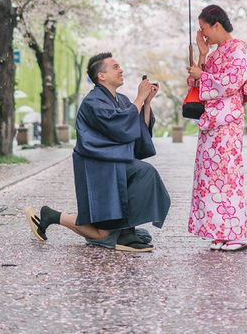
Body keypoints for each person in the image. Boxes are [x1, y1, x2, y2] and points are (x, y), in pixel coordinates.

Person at [25, 52, 170, 253]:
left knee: (142, 174)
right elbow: (121, 126)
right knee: (105, 232)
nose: (121, 70)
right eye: (115, 67)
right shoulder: (92, 101)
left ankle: (123, 230)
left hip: (114, 162)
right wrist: (139, 98)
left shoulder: (121, 99)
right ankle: (122, 232)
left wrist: (146, 103)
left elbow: (136, 131)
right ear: (101, 76)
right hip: (97, 166)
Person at [187, 4, 247, 252]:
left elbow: (231, 83)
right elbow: (196, 83)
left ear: (217, 24)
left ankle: (237, 233)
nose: (203, 35)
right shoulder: (214, 55)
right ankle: (220, 231)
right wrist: (202, 56)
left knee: (228, 176)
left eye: (204, 29)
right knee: (210, 178)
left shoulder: (238, 51)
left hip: (227, 123)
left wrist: (202, 77)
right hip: (211, 123)